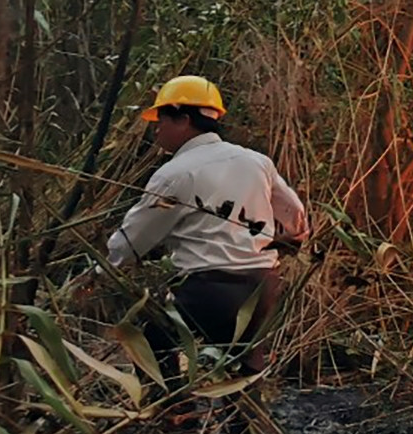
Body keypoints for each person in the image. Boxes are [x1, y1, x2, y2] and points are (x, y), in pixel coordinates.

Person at [106, 74, 309, 377]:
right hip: (261, 286)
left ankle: (174, 414)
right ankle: (244, 422)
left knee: (150, 340)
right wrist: (293, 238)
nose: (156, 128)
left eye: (160, 119)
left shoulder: (174, 173)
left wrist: (102, 269)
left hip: (208, 289)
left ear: (184, 120)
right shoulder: (256, 161)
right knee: (243, 369)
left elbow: (130, 243)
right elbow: (294, 212)